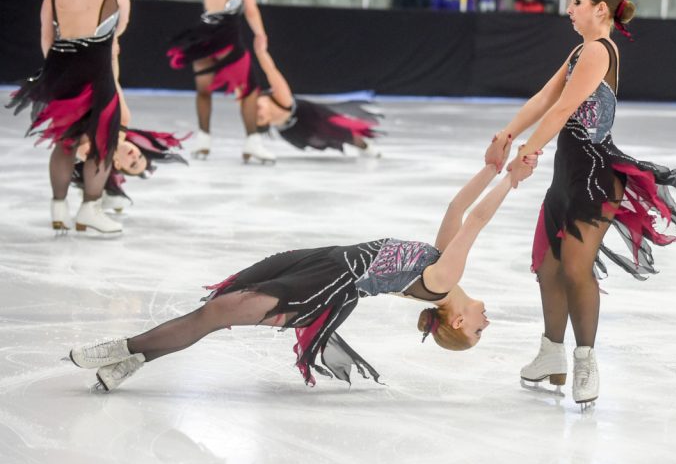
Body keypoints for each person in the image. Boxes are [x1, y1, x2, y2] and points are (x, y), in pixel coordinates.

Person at [68, 139, 541, 391]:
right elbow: (458, 211)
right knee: (221, 302)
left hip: (328, 284)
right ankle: (134, 359)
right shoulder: (441, 272)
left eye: (478, 332)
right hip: (323, 259)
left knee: (218, 312)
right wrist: (492, 168)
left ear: (456, 322)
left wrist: (512, 180)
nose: (487, 323)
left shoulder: (444, 281)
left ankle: (122, 349)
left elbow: (476, 220)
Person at [486, 0, 676, 407]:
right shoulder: (581, 50)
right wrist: (507, 135)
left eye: (576, 2)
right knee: (548, 267)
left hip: (595, 176)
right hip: (568, 172)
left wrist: (527, 153)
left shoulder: (598, 50)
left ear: (601, 9)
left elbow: (563, 109)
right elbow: (545, 97)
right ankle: (551, 354)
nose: (569, 10)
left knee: (575, 268)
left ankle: (585, 361)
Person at [6, 0, 130, 234]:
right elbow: (121, 24)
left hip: (61, 69)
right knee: (102, 141)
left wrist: (59, 70)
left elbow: (46, 36)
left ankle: (59, 209)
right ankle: (89, 209)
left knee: (65, 142)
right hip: (96, 69)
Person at [166, 0, 274, 163]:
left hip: (203, 38)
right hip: (227, 39)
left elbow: (209, 10)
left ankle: (203, 141)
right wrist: (261, 34)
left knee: (203, 91)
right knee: (249, 89)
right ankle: (253, 141)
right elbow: (251, 10)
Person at [252, 42, 382, 158]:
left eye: (256, 112)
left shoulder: (281, 98)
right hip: (293, 132)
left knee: (340, 132)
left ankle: (365, 147)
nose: (257, 113)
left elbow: (271, 71)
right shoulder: (271, 117)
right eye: (261, 118)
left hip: (307, 114)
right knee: (323, 140)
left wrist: (261, 52)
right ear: (268, 121)